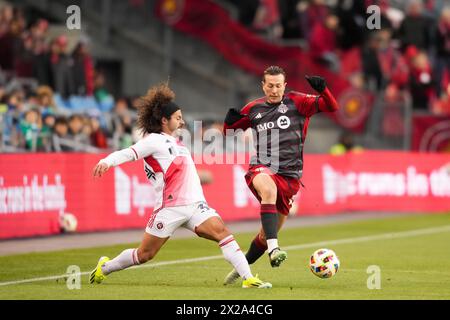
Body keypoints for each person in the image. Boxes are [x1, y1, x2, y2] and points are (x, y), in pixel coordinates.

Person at [89, 83, 271, 289]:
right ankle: (105, 268)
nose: (182, 121)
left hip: (195, 205)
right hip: (170, 208)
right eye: (178, 117)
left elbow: (182, 173)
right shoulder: (153, 141)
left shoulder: (179, 144)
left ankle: (248, 278)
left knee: (222, 232)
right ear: (164, 120)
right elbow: (127, 153)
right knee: (144, 254)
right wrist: (107, 161)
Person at [222, 66, 339, 284]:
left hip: (290, 177)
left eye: (278, 86)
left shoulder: (298, 102)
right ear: (263, 85)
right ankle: (274, 250)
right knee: (268, 189)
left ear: (284, 86)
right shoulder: (253, 108)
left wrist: (324, 90)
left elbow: (332, 106)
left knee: (266, 235)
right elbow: (229, 133)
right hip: (262, 166)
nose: (274, 90)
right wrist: (228, 123)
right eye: (270, 85)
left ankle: (242, 268)